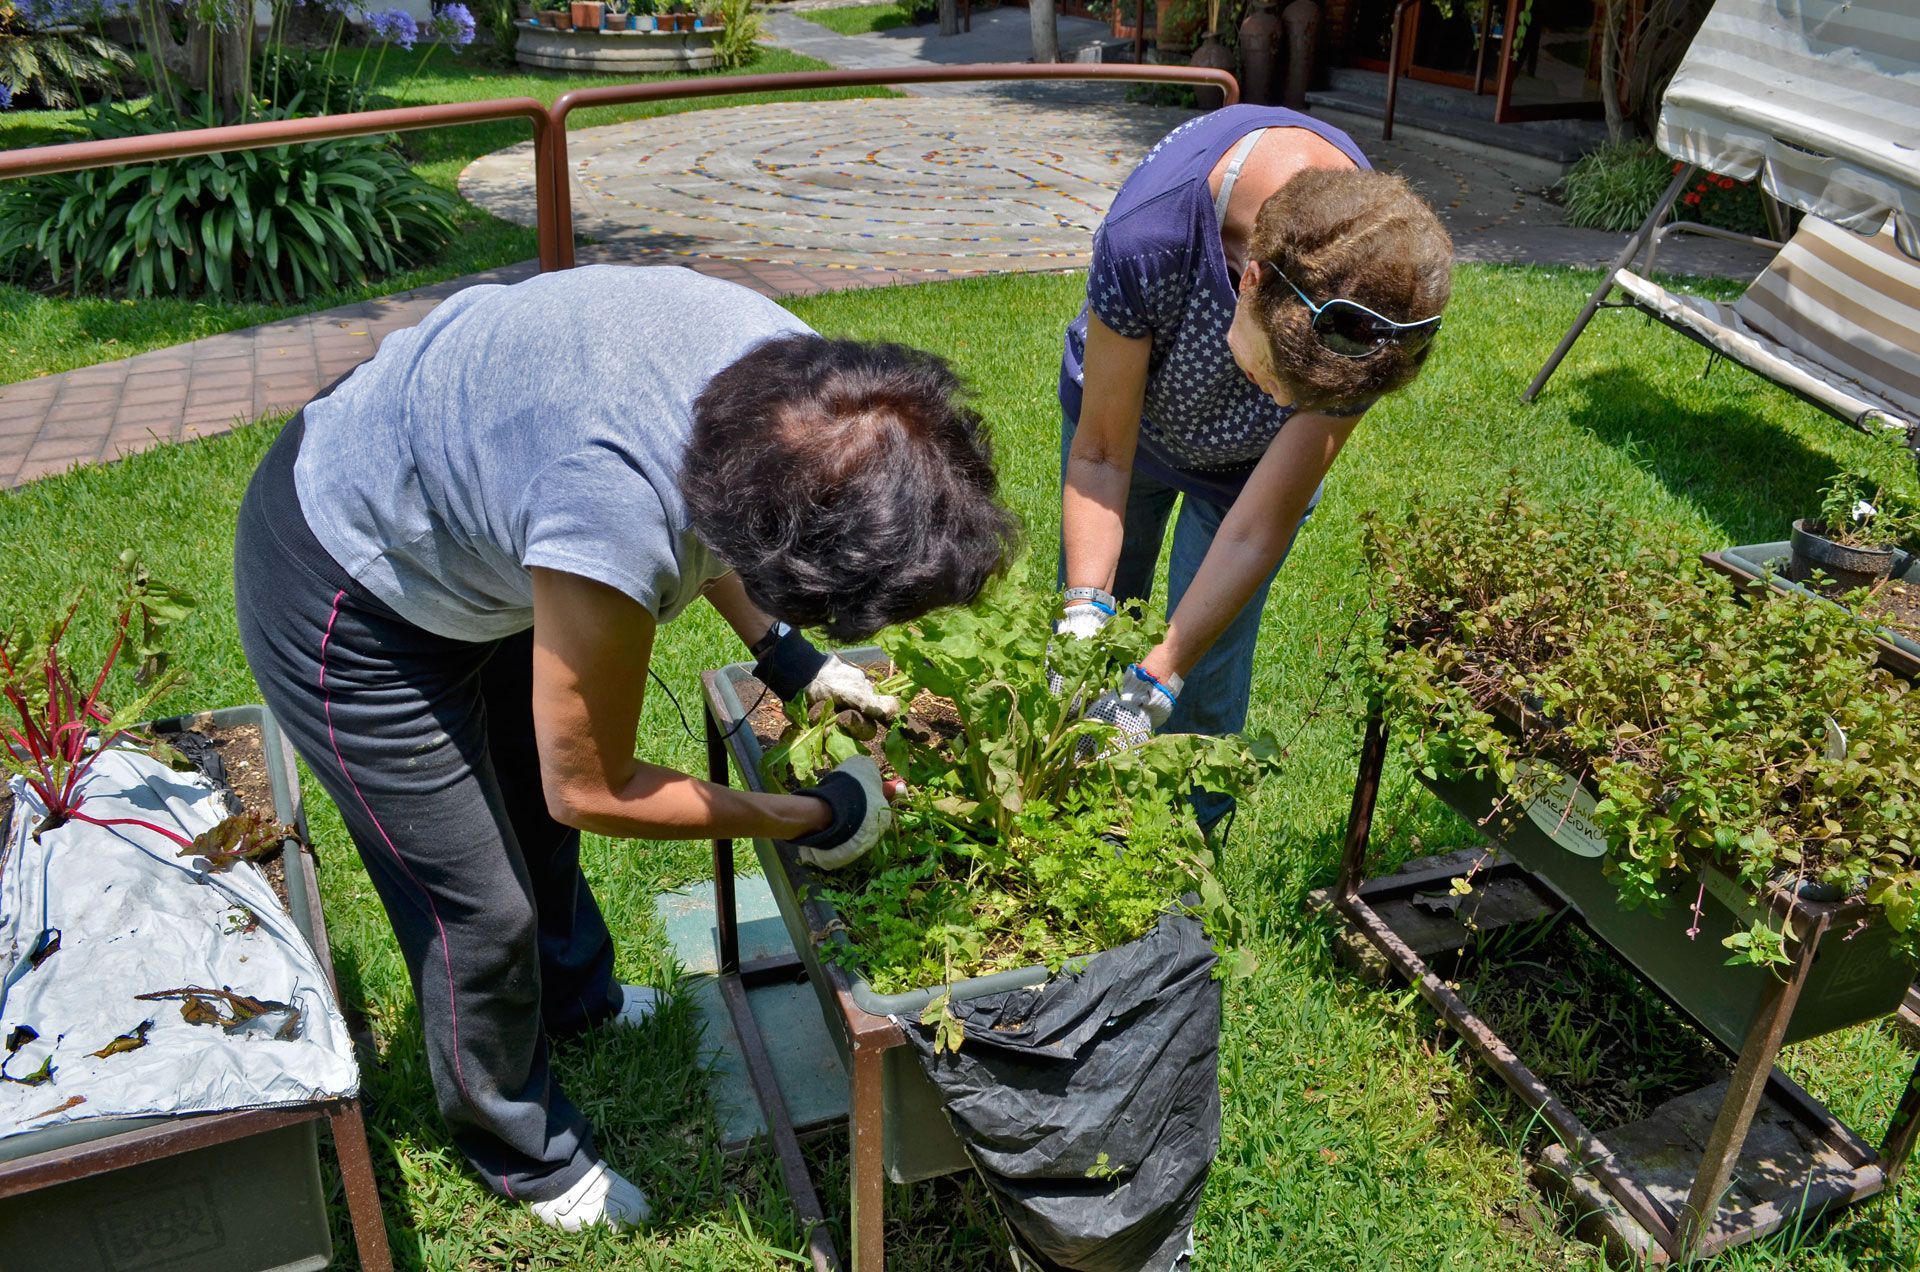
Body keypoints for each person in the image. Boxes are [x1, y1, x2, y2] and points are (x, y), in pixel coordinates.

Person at [233, 265, 1017, 1231]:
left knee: (527, 810)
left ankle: (579, 1003)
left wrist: (791, 657)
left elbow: (727, 520)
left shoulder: (813, 392)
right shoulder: (608, 506)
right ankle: (522, 1151)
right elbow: (592, 787)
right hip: (345, 587)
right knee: (477, 906)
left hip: (482, 510)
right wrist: (813, 815)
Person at [1057, 104, 1453, 827]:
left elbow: (1257, 526)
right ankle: (1073, 815)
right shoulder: (1149, 236)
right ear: (1248, 281)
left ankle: (1183, 849)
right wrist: (1083, 611)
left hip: (1244, 481)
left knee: (1202, 677)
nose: (1281, 406)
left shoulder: (1377, 303)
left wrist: (1159, 676)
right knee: (1087, 654)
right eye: (1274, 378)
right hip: (1125, 438)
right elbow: (1102, 453)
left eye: (1305, 402)